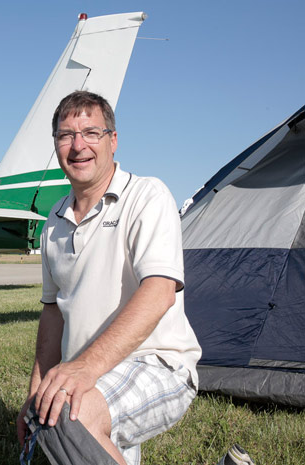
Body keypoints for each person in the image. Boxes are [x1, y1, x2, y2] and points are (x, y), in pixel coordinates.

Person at [17, 91, 202, 465]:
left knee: (69, 419)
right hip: (91, 375)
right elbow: (52, 313)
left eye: (91, 132)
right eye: (66, 135)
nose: (78, 145)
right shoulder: (53, 223)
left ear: (113, 141)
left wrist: (84, 367)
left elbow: (160, 291)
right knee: (55, 419)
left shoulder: (147, 196)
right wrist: (35, 392)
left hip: (156, 363)